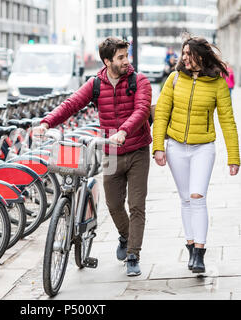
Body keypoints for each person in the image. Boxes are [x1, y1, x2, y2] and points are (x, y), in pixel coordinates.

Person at [33, 37, 152, 276]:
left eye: (126, 56)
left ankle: (132, 255)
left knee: (136, 206)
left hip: (137, 150)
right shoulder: (96, 84)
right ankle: (125, 236)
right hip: (111, 152)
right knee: (114, 204)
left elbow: (141, 110)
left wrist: (124, 131)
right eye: (120, 57)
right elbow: (71, 104)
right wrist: (46, 123)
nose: (126, 61)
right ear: (107, 61)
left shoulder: (140, 81)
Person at [152, 35, 240, 273]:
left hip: (203, 148)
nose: (185, 58)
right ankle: (190, 244)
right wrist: (158, 146)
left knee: (197, 197)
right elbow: (160, 114)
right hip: (176, 148)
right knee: (185, 199)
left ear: (202, 56)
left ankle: (200, 252)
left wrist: (234, 157)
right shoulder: (173, 79)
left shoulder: (218, 83)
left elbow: (227, 122)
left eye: (189, 54)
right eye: (184, 53)